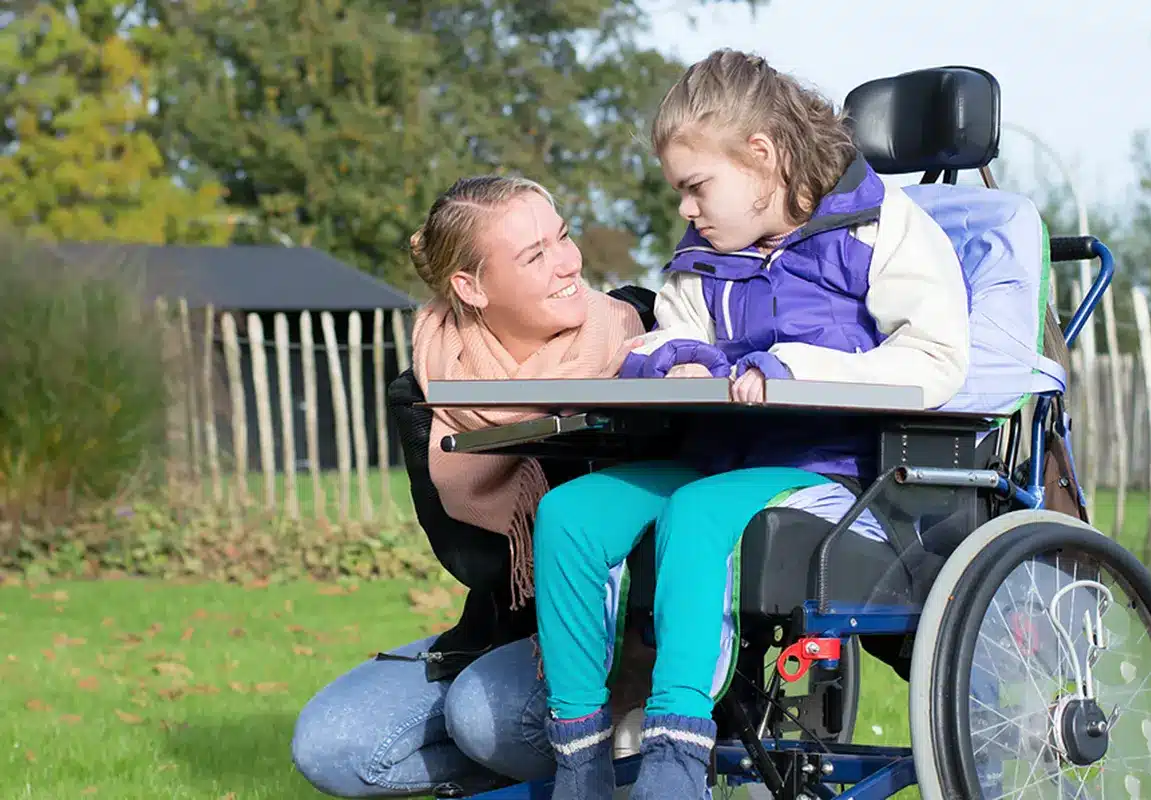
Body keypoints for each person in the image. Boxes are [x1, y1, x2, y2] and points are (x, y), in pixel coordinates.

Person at [532, 49, 972, 800]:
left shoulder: (882, 228)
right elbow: (663, 335)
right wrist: (670, 363)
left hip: (837, 475)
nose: (685, 209)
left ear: (761, 156)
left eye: (695, 187)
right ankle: (579, 762)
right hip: (717, 459)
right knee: (568, 513)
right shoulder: (703, 256)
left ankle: (673, 767)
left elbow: (936, 358)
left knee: (701, 514)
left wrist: (794, 369)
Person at [291, 175, 649, 797]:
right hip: (510, 628)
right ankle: (536, 765)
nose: (568, 263)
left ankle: (647, 755)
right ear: (471, 287)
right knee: (332, 746)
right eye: (534, 256)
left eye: (561, 236)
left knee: (487, 719)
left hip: (634, 630)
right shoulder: (428, 390)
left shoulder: (640, 332)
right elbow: (474, 559)